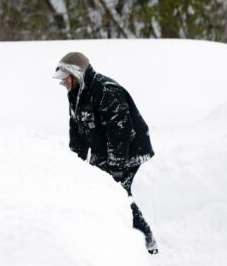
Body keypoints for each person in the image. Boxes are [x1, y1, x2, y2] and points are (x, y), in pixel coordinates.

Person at [52, 52, 158, 254]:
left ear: (77, 74)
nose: (63, 83)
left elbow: (120, 133)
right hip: (105, 148)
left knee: (117, 193)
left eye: (65, 77)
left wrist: (116, 169)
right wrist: (75, 163)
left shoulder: (106, 91)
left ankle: (147, 242)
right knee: (97, 189)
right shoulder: (75, 93)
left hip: (130, 148)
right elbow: (76, 131)